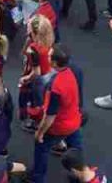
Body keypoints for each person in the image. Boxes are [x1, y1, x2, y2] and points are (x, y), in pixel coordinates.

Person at [32, 44, 83, 183]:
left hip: (59, 127)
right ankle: (80, 174)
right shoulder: (73, 71)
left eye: (49, 56)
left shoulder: (55, 86)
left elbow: (50, 116)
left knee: (41, 148)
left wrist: (40, 133)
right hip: (74, 121)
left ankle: (37, 178)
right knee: (76, 148)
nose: (47, 56)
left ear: (54, 62)